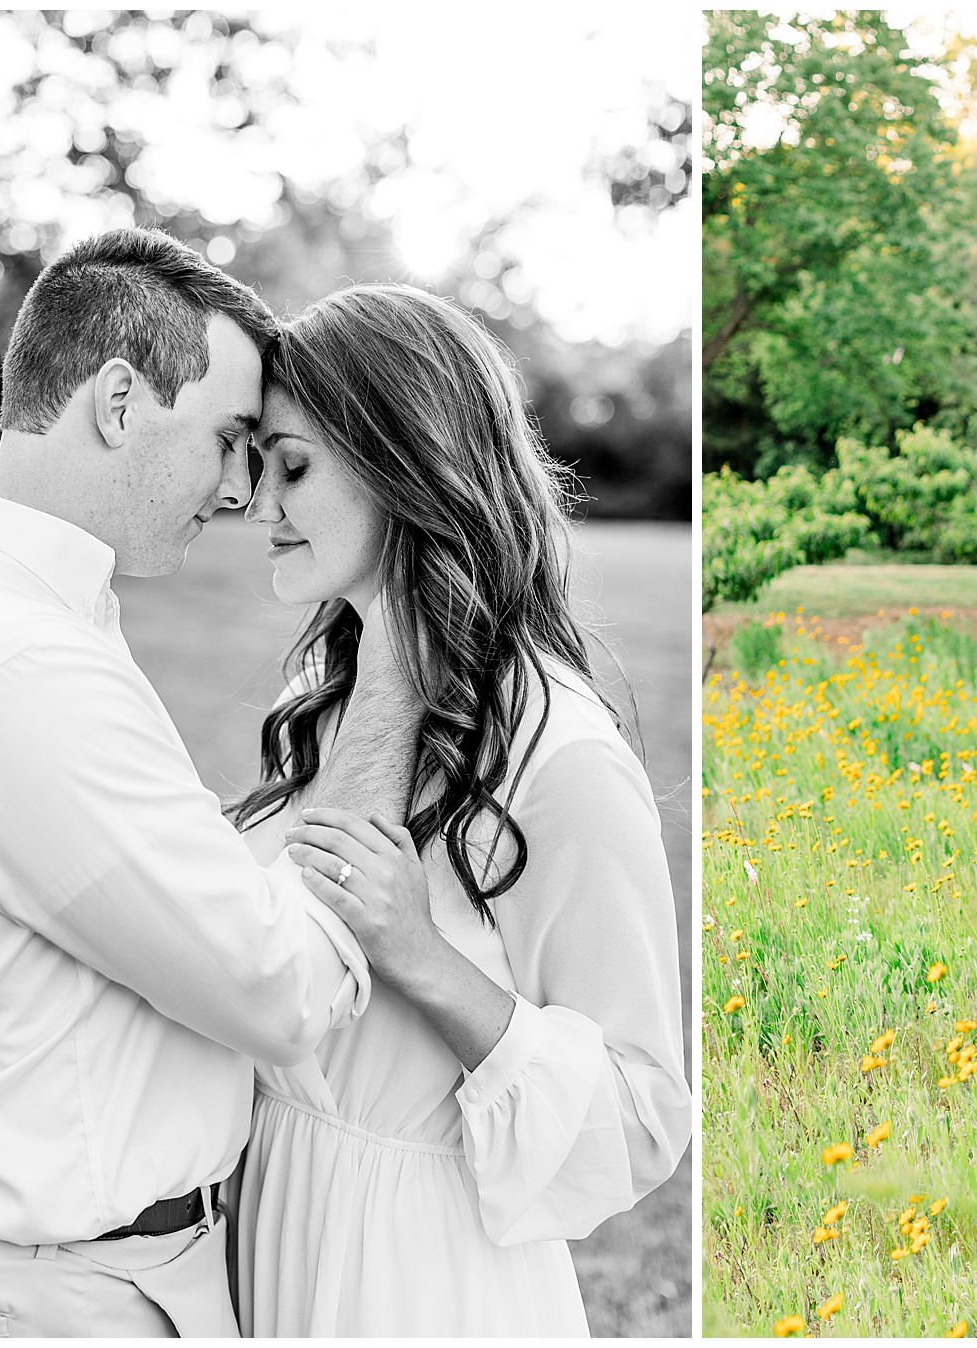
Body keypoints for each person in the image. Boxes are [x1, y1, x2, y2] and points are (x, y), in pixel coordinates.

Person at [0, 228, 418, 1336]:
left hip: (53, 1270)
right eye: (233, 439)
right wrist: (394, 653)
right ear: (117, 402)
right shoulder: (13, 661)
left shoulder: (18, 617)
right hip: (37, 1298)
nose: (244, 489)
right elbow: (278, 987)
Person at [226, 284, 690, 1337]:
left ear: (403, 466)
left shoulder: (562, 757)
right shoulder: (323, 690)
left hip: (416, 1273)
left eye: (291, 466)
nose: (261, 506)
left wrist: (421, 956)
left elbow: (644, 1112)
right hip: (266, 1224)